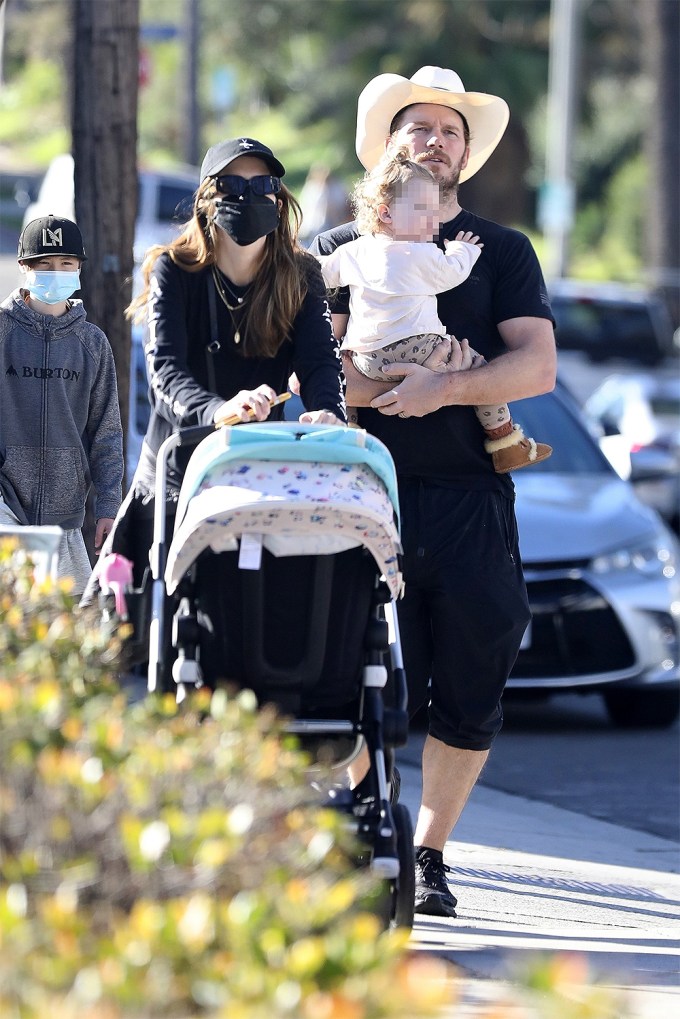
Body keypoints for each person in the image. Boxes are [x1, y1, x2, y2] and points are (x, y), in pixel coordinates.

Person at [310, 66, 557, 918]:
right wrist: (390, 393)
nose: (436, 141)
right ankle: (367, 828)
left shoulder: (499, 251)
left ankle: (429, 850)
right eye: (419, 127)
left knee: (476, 668)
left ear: (464, 152)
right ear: (389, 146)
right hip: (359, 491)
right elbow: (314, 367)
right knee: (347, 669)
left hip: (470, 497)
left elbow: (537, 364)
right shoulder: (338, 249)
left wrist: (446, 390)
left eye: (450, 131)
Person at [98, 137, 346, 678]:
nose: (248, 197)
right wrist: (219, 410)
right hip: (178, 469)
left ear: (280, 200)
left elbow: (323, 367)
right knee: (156, 638)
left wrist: (328, 413)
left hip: (261, 472)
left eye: (263, 187)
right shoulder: (174, 272)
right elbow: (164, 374)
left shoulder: (301, 275)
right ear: (208, 200)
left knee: (261, 615)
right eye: (233, 186)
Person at [316, 145, 552, 473]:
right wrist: (463, 249)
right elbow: (451, 271)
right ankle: (506, 441)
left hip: (367, 360)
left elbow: (320, 272)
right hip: (420, 351)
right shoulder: (419, 253)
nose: (433, 219)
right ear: (386, 213)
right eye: (423, 209)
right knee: (473, 364)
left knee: (339, 359)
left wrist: (295, 261)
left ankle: (349, 430)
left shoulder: (352, 250)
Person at [0, 215, 123, 595]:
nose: (55, 272)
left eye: (65, 263)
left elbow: (107, 432)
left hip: (66, 520)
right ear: (24, 268)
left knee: (66, 631)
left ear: (79, 268)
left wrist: (108, 505)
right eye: (44, 264)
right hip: (5, 510)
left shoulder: (93, 344)